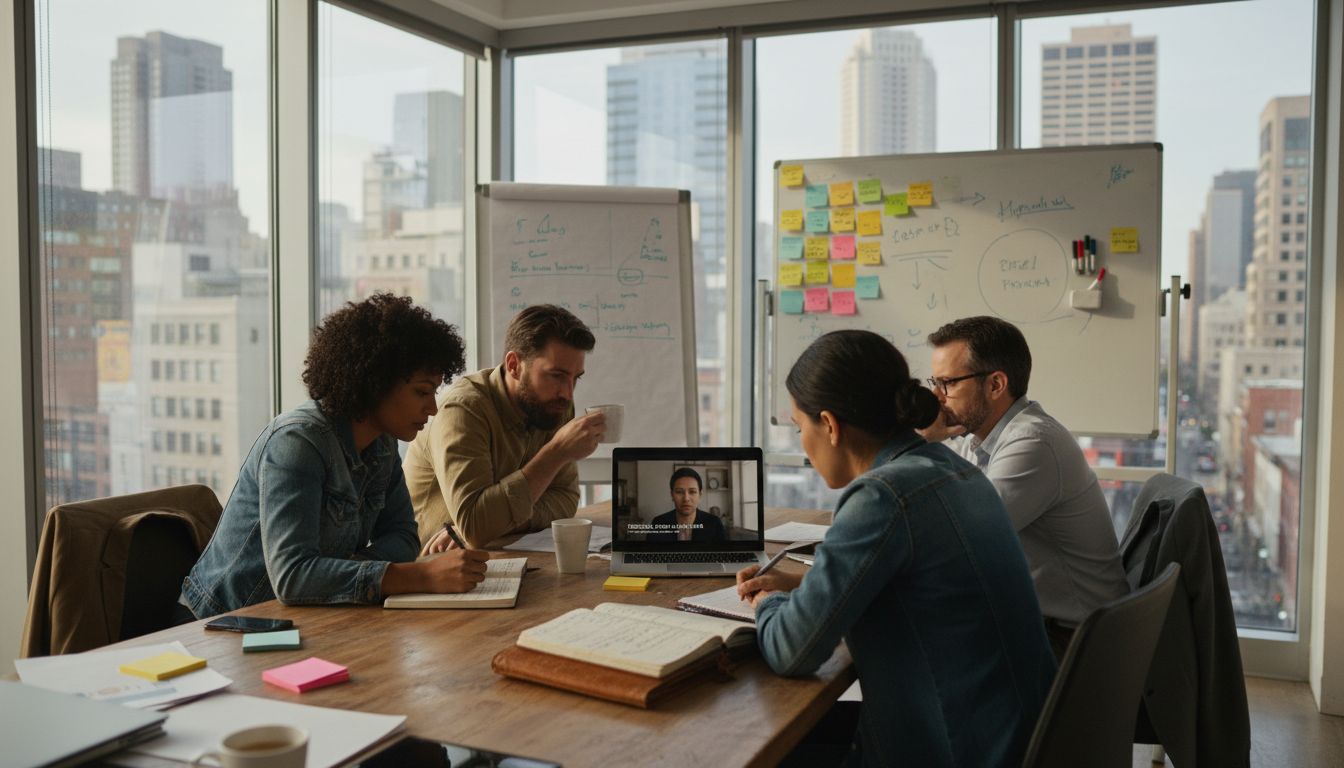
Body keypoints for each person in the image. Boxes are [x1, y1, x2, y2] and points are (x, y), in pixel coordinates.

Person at [737, 330, 1055, 768]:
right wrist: (801, 586)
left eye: (799, 428)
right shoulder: (955, 470)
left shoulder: (882, 494)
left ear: (829, 425)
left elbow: (794, 649)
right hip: (1013, 737)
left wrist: (768, 602)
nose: (803, 447)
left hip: (953, 749)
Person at [178, 294, 489, 619]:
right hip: (220, 624)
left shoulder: (382, 444)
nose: (433, 407)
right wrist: (419, 576)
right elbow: (293, 577)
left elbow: (403, 538)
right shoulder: (297, 443)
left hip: (301, 617)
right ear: (375, 383)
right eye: (422, 392)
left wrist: (335, 573)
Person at [920, 315, 1129, 658]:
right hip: (1043, 623)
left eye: (948, 384)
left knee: (911, 649)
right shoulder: (980, 440)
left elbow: (957, 540)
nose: (937, 397)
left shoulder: (1032, 444)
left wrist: (920, 445)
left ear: (996, 385)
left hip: (1074, 645)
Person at [410, 304, 606, 551]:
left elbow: (565, 501)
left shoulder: (555, 404)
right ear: (514, 365)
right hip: (429, 568)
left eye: (575, 378)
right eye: (556, 375)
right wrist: (555, 453)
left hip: (499, 558)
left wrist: (496, 521)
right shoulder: (463, 409)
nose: (568, 393)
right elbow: (476, 527)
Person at [646, 468, 725, 542]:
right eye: (679, 492)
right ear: (672, 495)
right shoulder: (658, 523)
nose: (686, 498)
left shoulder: (714, 524)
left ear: (700, 495)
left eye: (692, 492)